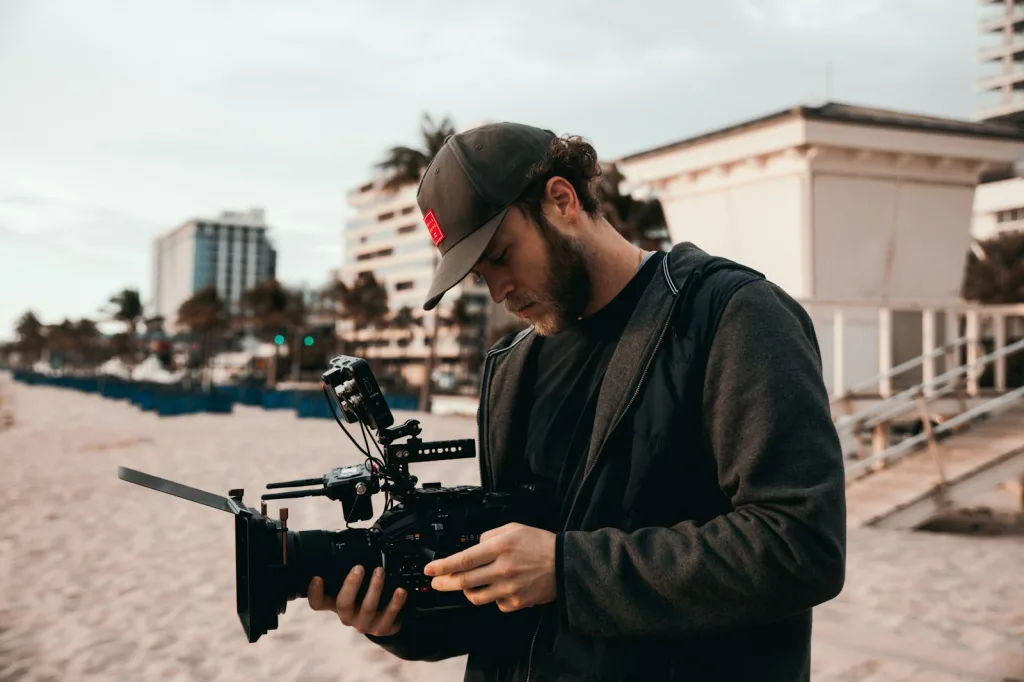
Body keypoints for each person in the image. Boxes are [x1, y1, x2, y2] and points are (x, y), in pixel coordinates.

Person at [307, 122, 847, 681]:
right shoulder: (511, 367)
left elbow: (801, 545)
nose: (497, 289)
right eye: (477, 275)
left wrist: (568, 571)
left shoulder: (732, 316)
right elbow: (511, 603)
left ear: (561, 199)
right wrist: (399, 619)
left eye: (500, 255)